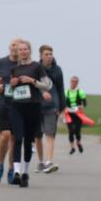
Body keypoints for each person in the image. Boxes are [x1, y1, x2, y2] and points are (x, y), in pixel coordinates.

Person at [7, 39, 53, 187]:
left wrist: (32, 81)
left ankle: (25, 173)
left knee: (28, 140)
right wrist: (12, 85)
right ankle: (16, 172)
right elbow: (11, 90)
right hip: (17, 107)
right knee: (17, 138)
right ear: (17, 52)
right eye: (20, 49)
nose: (23, 52)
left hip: (33, 106)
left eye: (25, 49)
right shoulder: (14, 69)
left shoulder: (37, 67)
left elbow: (47, 86)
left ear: (30, 51)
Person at [0, 40, 19, 183]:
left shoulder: (25, 65)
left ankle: (11, 169)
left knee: (14, 139)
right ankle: (0, 166)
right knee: (5, 136)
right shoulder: (1, 62)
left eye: (18, 46)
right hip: (3, 104)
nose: (15, 48)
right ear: (9, 47)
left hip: (19, 106)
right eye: (13, 45)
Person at [34, 45, 64, 173]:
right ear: (40, 56)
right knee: (38, 136)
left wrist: (62, 106)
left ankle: (49, 162)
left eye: (51, 54)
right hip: (36, 106)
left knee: (50, 134)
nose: (49, 56)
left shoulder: (57, 70)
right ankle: (41, 162)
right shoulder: (35, 68)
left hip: (52, 107)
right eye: (46, 54)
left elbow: (60, 88)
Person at [65, 76, 87, 154]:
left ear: (77, 83)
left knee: (77, 131)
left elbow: (85, 103)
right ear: (70, 82)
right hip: (69, 113)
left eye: (75, 81)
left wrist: (81, 106)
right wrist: (64, 108)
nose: (73, 83)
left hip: (78, 114)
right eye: (72, 81)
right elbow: (63, 102)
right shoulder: (66, 92)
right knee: (71, 131)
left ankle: (78, 142)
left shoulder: (80, 92)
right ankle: (72, 147)